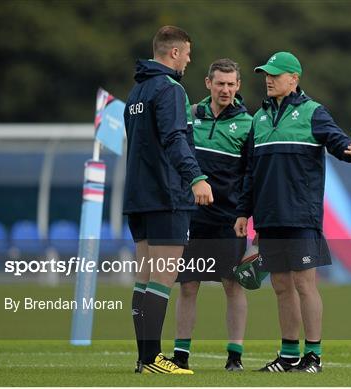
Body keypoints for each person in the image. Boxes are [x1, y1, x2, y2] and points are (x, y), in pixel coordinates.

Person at [234, 52, 351, 373]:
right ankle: (289, 355)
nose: (268, 79)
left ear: (294, 79)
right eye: (266, 74)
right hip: (268, 218)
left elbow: (338, 143)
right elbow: (251, 172)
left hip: (301, 217)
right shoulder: (258, 119)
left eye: (275, 75)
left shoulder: (313, 113)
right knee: (280, 286)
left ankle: (314, 356)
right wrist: (243, 213)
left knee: (305, 285)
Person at [123, 25, 214, 375]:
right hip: (166, 196)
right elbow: (176, 138)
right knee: (162, 277)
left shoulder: (137, 91)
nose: (190, 59)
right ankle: (152, 359)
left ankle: (143, 359)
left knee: (144, 277)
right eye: (188, 53)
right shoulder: (170, 89)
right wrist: (197, 177)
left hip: (138, 197)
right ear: (174, 52)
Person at [172, 59, 253, 372]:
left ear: (238, 86)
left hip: (229, 219)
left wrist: (245, 213)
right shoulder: (190, 116)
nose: (226, 89)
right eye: (220, 83)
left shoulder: (249, 124)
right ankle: (180, 355)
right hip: (192, 218)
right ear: (208, 83)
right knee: (188, 285)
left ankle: (235, 357)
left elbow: (250, 175)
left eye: (232, 84)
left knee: (233, 285)